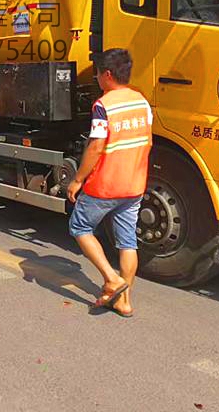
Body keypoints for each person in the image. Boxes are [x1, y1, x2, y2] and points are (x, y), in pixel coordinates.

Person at [66, 49, 152, 318]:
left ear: (107, 74)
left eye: (97, 73)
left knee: (80, 226)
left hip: (106, 184)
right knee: (127, 242)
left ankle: (110, 278)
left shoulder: (104, 105)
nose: (96, 79)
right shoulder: (142, 101)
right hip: (135, 183)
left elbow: (95, 146)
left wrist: (78, 180)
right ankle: (124, 301)